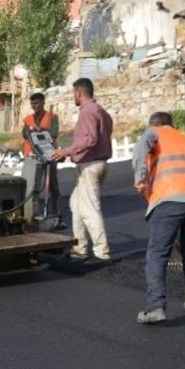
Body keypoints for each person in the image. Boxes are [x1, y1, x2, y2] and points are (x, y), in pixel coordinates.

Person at [131, 111, 185, 324]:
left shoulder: (154, 132)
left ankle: (155, 307)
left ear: (155, 124)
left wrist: (140, 177)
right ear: (173, 125)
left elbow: (140, 148)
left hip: (170, 198)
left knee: (157, 254)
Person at [50, 78, 113, 260]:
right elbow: (103, 134)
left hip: (90, 165)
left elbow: (90, 139)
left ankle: (102, 251)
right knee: (76, 205)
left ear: (79, 93)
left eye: (73, 93)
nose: (73, 97)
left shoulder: (87, 111)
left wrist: (67, 151)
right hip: (97, 163)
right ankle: (79, 248)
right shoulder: (101, 111)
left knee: (89, 209)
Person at [22, 92, 61, 227]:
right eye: (32, 103)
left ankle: (57, 217)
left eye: (36, 103)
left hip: (49, 155)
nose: (34, 106)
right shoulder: (27, 119)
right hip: (32, 156)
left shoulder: (53, 117)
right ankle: (32, 218)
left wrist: (39, 130)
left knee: (53, 187)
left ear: (43, 103)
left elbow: (53, 133)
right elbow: (25, 134)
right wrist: (38, 131)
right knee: (33, 187)